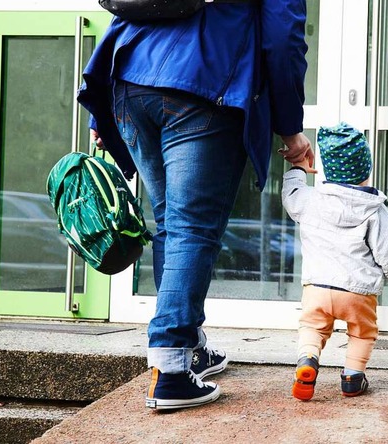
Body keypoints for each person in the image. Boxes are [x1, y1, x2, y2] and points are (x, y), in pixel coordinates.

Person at [77, 1, 314, 410]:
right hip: (203, 84)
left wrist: (103, 111)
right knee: (191, 229)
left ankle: (189, 348)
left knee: (173, 223)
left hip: (131, 78)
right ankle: (170, 369)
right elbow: (282, 39)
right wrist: (291, 128)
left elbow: (134, 9)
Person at [281, 122, 388, 400]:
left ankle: (307, 359)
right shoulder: (374, 211)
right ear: (366, 169)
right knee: (363, 333)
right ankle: (353, 377)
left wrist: (298, 171)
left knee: (312, 328)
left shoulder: (313, 200)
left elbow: (292, 197)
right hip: (358, 292)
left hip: (317, 288)